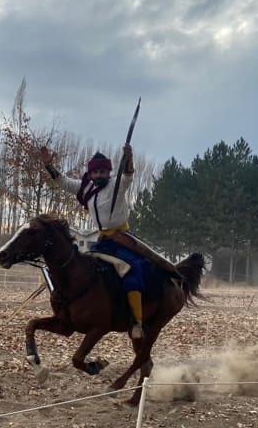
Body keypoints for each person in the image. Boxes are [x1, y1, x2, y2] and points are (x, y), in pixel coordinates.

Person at [42, 145, 181, 340]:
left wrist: (128, 158)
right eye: (95, 172)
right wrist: (49, 166)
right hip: (102, 241)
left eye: (102, 171)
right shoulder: (86, 187)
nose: (99, 175)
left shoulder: (117, 184)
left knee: (132, 271)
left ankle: (137, 322)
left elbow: (128, 177)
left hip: (122, 240)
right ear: (91, 173)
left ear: (108, 172)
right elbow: (63, 182)